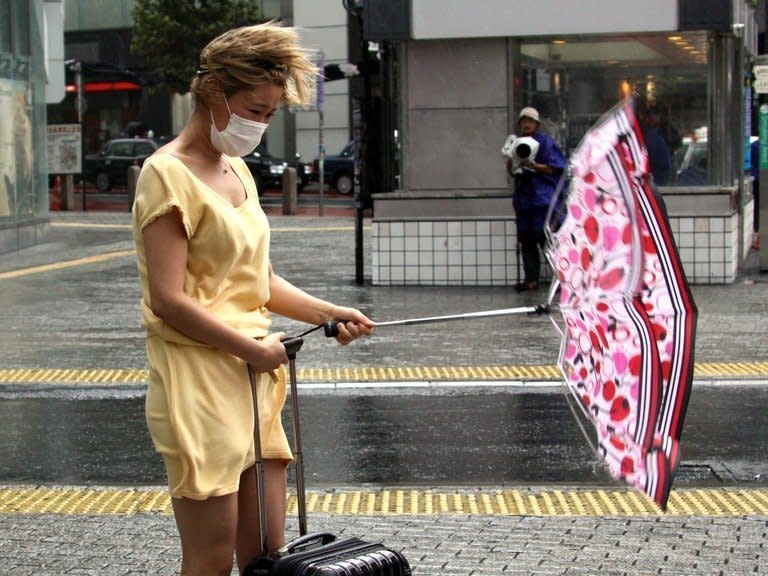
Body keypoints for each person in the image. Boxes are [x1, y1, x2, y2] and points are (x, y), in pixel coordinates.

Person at [131, 23, 373, 576]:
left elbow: (257, 278)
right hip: (199, 381)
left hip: (257, 374)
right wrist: (250, 348)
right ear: (214, 92)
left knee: (266, 555)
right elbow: (167, 299)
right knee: (211, 559)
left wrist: (328, 312)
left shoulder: (236, 168)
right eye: (255, 109)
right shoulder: (165, 175)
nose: (260, 124)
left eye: (269, 114)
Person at [506, 106, 567, 292]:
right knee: (527, 241)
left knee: (547, 240)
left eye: (530, 121)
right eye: (524, 121)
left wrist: (533, 166)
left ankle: (562, 279)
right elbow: (512, 171)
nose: (526, 124)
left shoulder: (546, 143)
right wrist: (511, 159)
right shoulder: (516, 143)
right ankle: (531, 280)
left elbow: (556, 168)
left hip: (542, 201)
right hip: (525, 202)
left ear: (537, 124)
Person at [641, 107, 673, 186]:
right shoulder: (648, 135)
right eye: (653, 116)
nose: (656, 118)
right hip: (656, 172)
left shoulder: (664, 131)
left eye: (658, 116)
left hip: (662, 171)